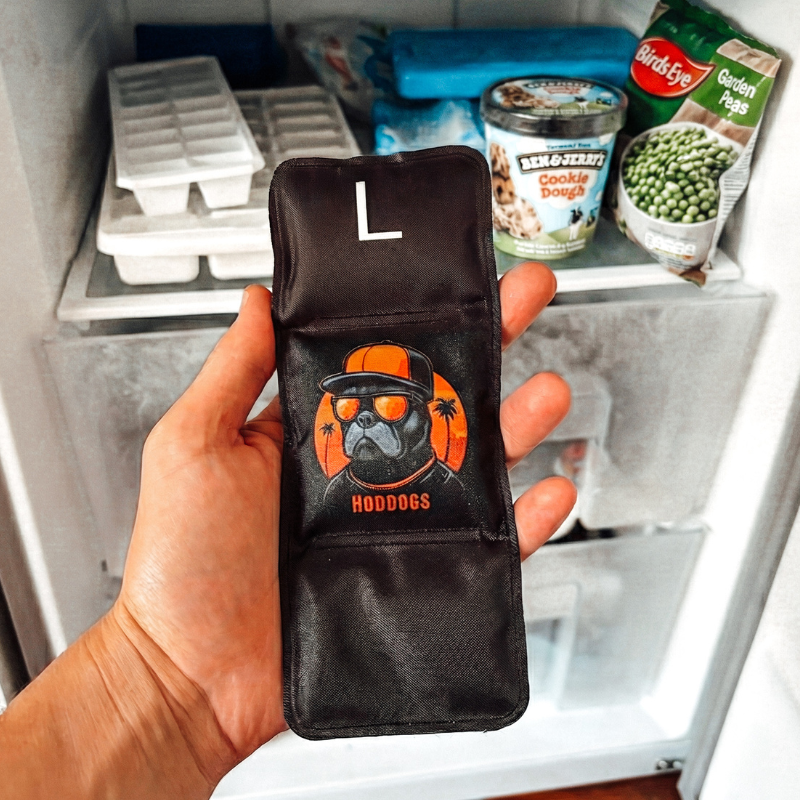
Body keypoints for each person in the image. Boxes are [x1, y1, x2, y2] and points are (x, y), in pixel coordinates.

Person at [0, 262, 576, 799]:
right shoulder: (310, 493)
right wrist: (152, 674)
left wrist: (156, 685)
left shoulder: (460, 496)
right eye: (351, 408)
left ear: (430, 412)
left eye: (392, 406)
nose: (366, 419)